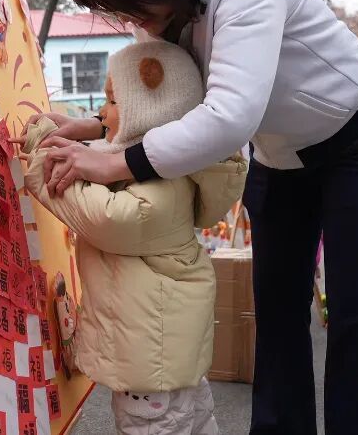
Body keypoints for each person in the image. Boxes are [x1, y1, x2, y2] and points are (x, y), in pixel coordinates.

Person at [27, 0, 358, 432]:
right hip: (280, 160)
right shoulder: (172, 7)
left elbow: (229, 116)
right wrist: (91, 128)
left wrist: (112, 161)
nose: (129, 19)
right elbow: (162, 102)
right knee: (276, 313)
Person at [19, 40, 247, 435]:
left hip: (150, 358)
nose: (102, 114)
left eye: (112, 101)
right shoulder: (158, 164)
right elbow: (107, 157)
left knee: (151, 426)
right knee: (190, 420)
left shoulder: (163, 184)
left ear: (148, 113)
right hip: (163, 350)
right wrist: (76, 143)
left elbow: (107, 217)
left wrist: (44, 158)